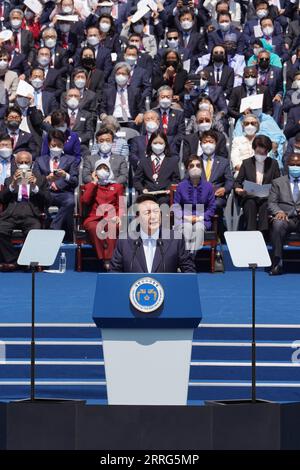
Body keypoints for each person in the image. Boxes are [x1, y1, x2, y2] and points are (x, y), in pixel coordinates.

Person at [110, 193, 196, 273]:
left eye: (156, 211)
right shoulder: (124, 241)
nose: (153, 216)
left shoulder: (176, 239)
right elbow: (114, 273)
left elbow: (189, 271)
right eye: (147, 213)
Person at [0, 150, 50, 271]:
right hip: (12, 213)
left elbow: (48, 200)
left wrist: (35, 188)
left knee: (35, 232)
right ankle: (14, 260)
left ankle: (25, 260)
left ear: (31, 164)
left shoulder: (41, 179)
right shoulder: (9, 180)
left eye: (26, 162)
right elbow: (2, 198)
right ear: (16, 164)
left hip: (31, 214)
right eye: (20, 162)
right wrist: (12, 185)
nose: (23, 164)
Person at [34, 130, 79, 241]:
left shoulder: (71, 160)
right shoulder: (40, 160)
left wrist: (65, 175)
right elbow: (35, 180)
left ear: (63, 145)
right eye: (54, 145)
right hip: (46, 192)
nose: (56, 148)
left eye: (59, 145)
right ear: (49, 145)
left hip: (63, 193)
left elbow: (74, 181)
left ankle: (54, 227)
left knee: (71, 202)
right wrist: (47, 179)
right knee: (37, 201)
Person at [81, 160, 124, 271]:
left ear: (110, 171)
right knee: (94, 227)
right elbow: (85, 201)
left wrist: (119, 216)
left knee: (112, 227)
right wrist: (94, 182)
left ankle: (109, 260)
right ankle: (103, 258)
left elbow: (122, 205)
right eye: (100, 168)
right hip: (94, 218)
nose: (103, 171)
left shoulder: (118, 186)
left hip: (111, 217)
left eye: (105, 168)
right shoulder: (90, 186)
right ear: (95, 172)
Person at [235, 135, 280, 233]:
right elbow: (238, 182)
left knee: (265, 206)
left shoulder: (273, 164)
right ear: (254, 149)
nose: (260, 155)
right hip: (250, 196)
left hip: (266, 197)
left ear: (267, 151)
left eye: (263, 153)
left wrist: (272, 192)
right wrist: (239, 190)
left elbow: (278, 183)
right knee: (250, 204)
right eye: (258, 152)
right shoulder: (246, 163)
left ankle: (263, 233)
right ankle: (251, 232)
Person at [174, 156, 216, 252]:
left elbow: (212, 207)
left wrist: (200, 217)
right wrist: (185, 217)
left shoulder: (208, 186)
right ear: (187, 168)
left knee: (198, 228)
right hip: (184, 219)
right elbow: (176, 206)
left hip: (202, 219)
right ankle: (186, 259)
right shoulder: (181, 186)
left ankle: (190, 258)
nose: (195, 168)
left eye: (198, 165)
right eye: (191, 166)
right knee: (187, 228)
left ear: (201, 168)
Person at [268, 153, 300, 275]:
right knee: (278, 224)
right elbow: (271, 202)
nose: (295, 167)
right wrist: (279, 211)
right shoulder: (278, 182)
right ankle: (277, 262)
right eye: (292, 164)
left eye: (298, 165)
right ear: (287, 165)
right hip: (286, 218)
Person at [133, 130, 180, 205]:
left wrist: (169, 189)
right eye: (155, 143)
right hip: (148, 195)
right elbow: (137, 180)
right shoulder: (143, 161)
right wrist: (142, 189)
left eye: (161, 143)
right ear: (150, 144)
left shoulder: (172, 161)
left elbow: (176, 179)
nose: (158, 145)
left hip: (166, 196)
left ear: (165, 145)